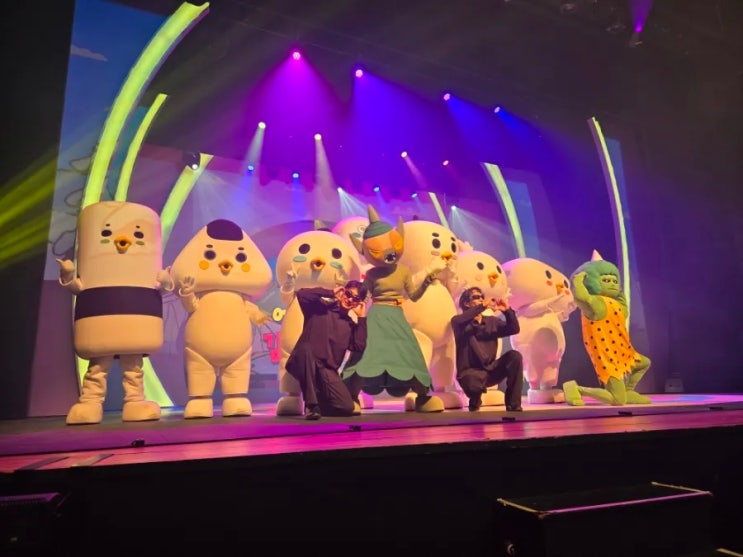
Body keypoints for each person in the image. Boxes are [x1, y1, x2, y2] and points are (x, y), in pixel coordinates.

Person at [286, 281, 368, 420]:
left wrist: (361, 318)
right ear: (343, 291)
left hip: (326, 371)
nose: (349, 299)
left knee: (347, 407)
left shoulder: (349, 325)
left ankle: (318, 404)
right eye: (348, 294)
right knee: (306, 348)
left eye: (355, 299)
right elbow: (302, 294)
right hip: (305, 360)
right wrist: (330, 292)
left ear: (357, 303)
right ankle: (311, 406)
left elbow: (359, 346)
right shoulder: (320, 308)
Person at [450, 287, 524, 412]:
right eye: (476, 297)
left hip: (490, 371)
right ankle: (475, 399)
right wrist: (483, 306)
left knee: (515, 356)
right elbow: (461, 319)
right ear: (466, 303)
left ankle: (513, 405)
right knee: (471, 381)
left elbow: (514, 329)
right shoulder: (459, 322)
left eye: (482, 297)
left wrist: (507, 311)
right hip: (470, 374)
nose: (481, 299)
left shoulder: (492, 322)